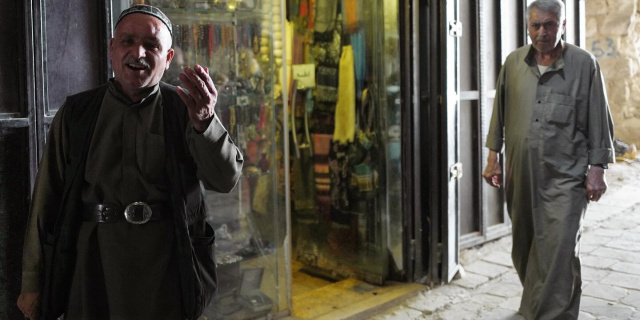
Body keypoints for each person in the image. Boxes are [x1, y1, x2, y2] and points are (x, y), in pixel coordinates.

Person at [16, 4, 243, 320]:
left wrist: (205, 122)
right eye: (127, 41)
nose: (138, 52)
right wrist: (33, 283)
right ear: (112, 48)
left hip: (166, 265)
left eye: (151, 46)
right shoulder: (77, 114)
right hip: (92, 266)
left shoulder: (187, 111)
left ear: (168, 58)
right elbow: (45, 201)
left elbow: (225, 179)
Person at [482, 0, 614, 319]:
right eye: (536, 25)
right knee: (524, 246)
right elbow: (499, 112)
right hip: (522, 174)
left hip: (565, 176)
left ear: (563, 25)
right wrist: (492, 157)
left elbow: (599, 119)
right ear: (528, 26)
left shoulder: (584, 64)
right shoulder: (513, 63)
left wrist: (597, 170)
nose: (542, 32)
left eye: (550, 24)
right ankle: (536, 305)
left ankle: (553, 314)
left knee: (561, 249)